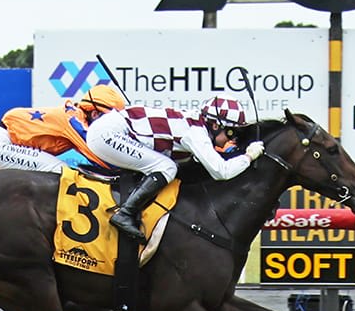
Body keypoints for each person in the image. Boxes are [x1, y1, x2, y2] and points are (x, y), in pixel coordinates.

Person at [86, 94, 265, 242]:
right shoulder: (197, 134)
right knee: (166, 167)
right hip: (107, 135)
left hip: (109, 131)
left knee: (164, 164)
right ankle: (125, 213)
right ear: (216, 125)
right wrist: (248, 156)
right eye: (231, 132)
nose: (231, 140)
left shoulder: (197, 125)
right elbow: (221, 172)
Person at [0, 84, 126, 174]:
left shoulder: (76, 116)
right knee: (62, 171)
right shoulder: (73, 120)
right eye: (108, 119)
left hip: (2, 143)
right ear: (94, 113)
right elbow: (98, 153)